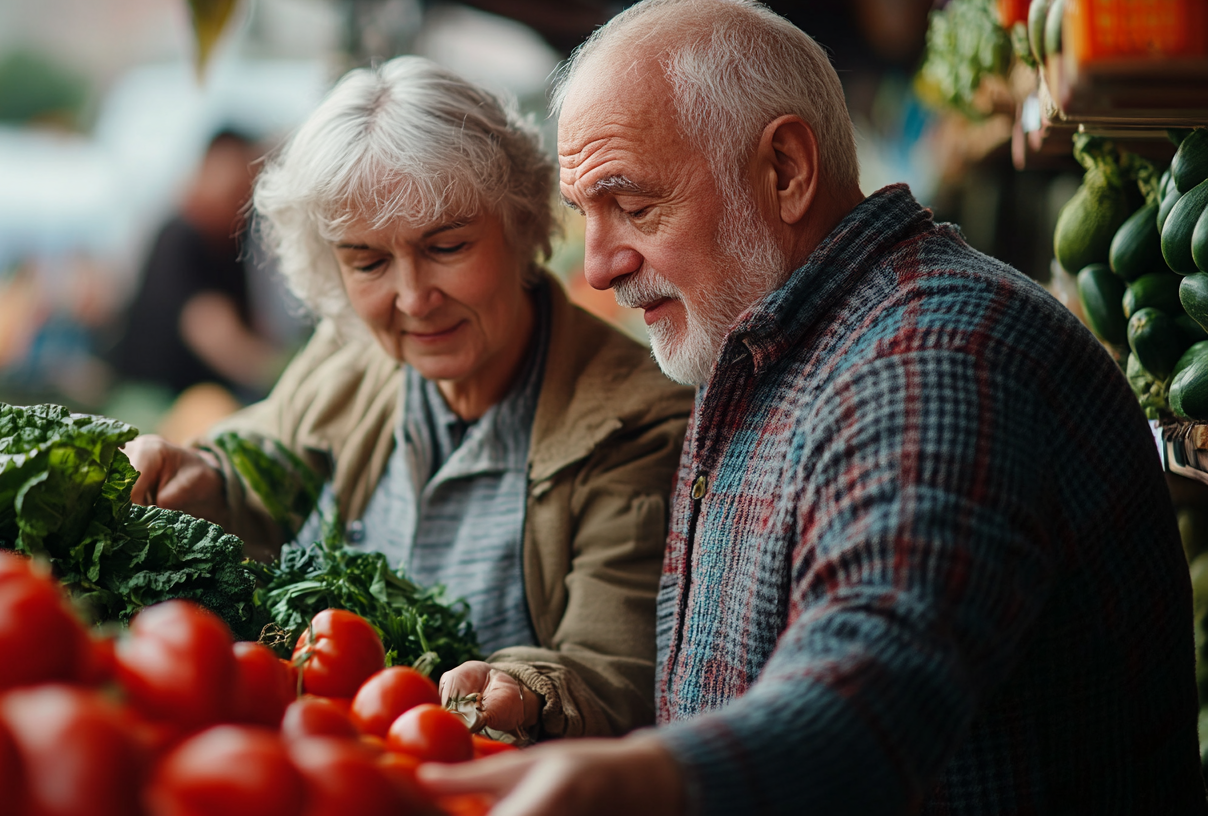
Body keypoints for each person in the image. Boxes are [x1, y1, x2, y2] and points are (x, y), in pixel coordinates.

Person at [420, 1, 1208, 813]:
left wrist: (635, 779)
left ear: (787, 170)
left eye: (636, 205)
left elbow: (873, 676)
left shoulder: (935, 356)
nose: (597, 268)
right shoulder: (769, 343)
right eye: (586, 214)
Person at [125, 56, 694, 741]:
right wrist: (202, 478)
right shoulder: (351, 358)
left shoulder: (636, 417)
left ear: (520, 224)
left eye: (447, 246)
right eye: (367, 262)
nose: (413, 299)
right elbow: (262, 464)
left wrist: (520, 691)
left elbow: (612, 669)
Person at [109, 129, 284, 405]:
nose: (242, 202)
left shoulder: (232, 243)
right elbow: (210, 329)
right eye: (233, 189)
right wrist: (281, 373)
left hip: (201, 395)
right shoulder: (182, 236)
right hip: (154, 397)